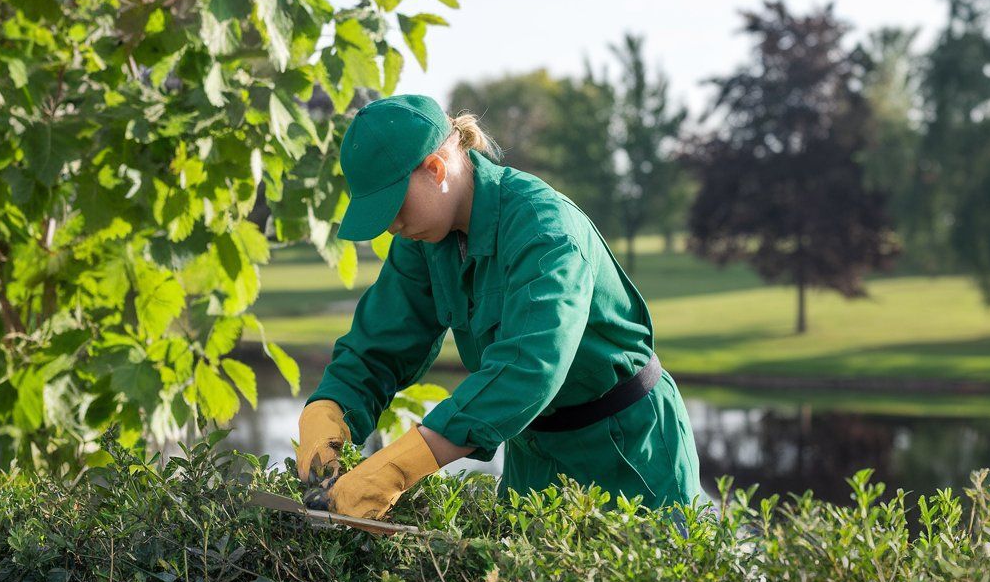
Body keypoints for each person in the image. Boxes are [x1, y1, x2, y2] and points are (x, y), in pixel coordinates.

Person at [295, 93, 702, 520]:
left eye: (394, 205)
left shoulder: (545, 230)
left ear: (435, 170)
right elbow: (379, 343)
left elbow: (528, 368)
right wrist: (330, 408)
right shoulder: (424, 239)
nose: (391, 224)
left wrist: (399, 466)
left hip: (626, 450)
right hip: (534, 452)